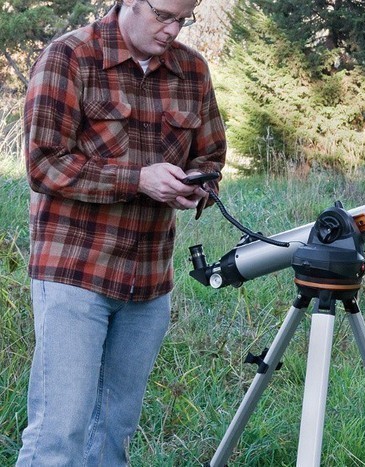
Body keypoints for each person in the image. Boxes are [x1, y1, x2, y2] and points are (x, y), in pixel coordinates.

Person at [17, 0, 226, 464]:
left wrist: (198, 186)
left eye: (183, 19)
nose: (173, 30)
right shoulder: (70, 56)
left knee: (114, 434)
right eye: (163, 15)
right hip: (75, 274)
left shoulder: (193, 70)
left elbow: (211, 156)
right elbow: (44, 165)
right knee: (59, 434)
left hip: (148, 282)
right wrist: (138, 179)